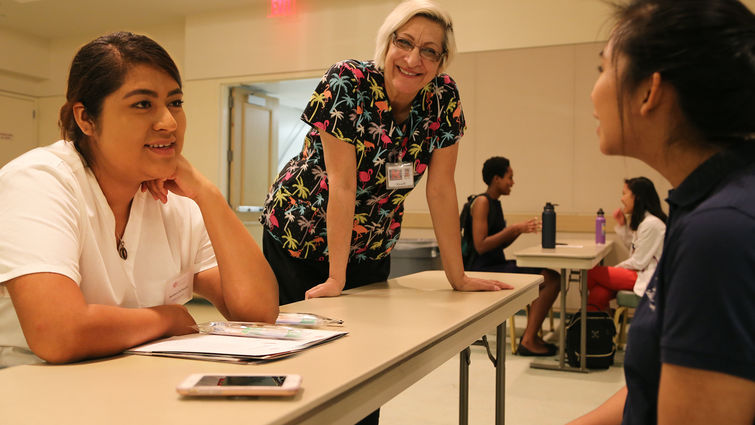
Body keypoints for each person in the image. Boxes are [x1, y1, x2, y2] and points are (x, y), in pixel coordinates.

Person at [0, 32, 279, 368]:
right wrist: (169, 319)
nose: (169, 122)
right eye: (143, 104)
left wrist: (208, 194)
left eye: (175, 102)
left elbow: (258, 312)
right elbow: (58, 333)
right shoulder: (40, 180)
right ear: (86, 118)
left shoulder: (173, 201)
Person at [568, 0, 755, 424]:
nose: (594, 90)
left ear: (650, 92)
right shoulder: (707, 205)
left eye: (603, 70)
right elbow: (651, 389)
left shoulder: (720, 231)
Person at [260, 0, 511, 306]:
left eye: (429, 50)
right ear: (387, 41)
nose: (413, 58)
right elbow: (343, 184)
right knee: (304, 341)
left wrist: (458, 276)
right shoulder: (347, 82)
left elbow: (442, 189)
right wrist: (336, 278)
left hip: (371, 245)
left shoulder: (443, 98)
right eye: (404, 42)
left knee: (366, 343)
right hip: (301, 234)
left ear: (441, 60)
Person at [462, 156, 560, 356]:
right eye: (510, 177)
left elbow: (496, 242)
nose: (512, 182)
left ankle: (531, 335)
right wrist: (515, 228)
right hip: (481, 268)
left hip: (494, 263)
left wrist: (518, 231)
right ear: (496, 179)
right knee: (550, 279)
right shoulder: (482, 202)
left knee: (548, 277)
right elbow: (481, 245)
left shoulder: (495, 203)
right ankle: (529, 340)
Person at [586, 177, 666, 311]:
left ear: (637, 197)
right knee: (599, 293)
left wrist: (616, 269)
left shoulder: (652, 224)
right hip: (638, 272)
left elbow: (638, 261)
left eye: (624, 194)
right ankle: (595, 327)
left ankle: (594, 323)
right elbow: (635, 247)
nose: (622, 199)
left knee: (590, 273)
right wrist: (623, 225)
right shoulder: (645, 222)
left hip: (647, 276)